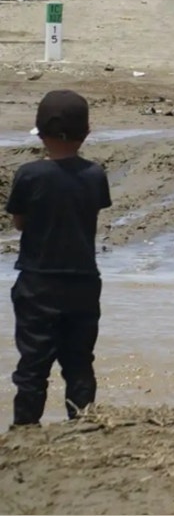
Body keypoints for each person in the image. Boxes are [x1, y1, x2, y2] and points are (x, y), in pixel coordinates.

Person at [6, 89, 112, 429]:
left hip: (38, 280)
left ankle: (25, 428)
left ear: (39, 133)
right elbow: (90, 211)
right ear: (87, 132)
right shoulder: (95, 175)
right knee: (79, 361)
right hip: (82, 279)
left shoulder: (29, 174)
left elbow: (20, 222)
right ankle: (82, 425)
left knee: (33, 364)